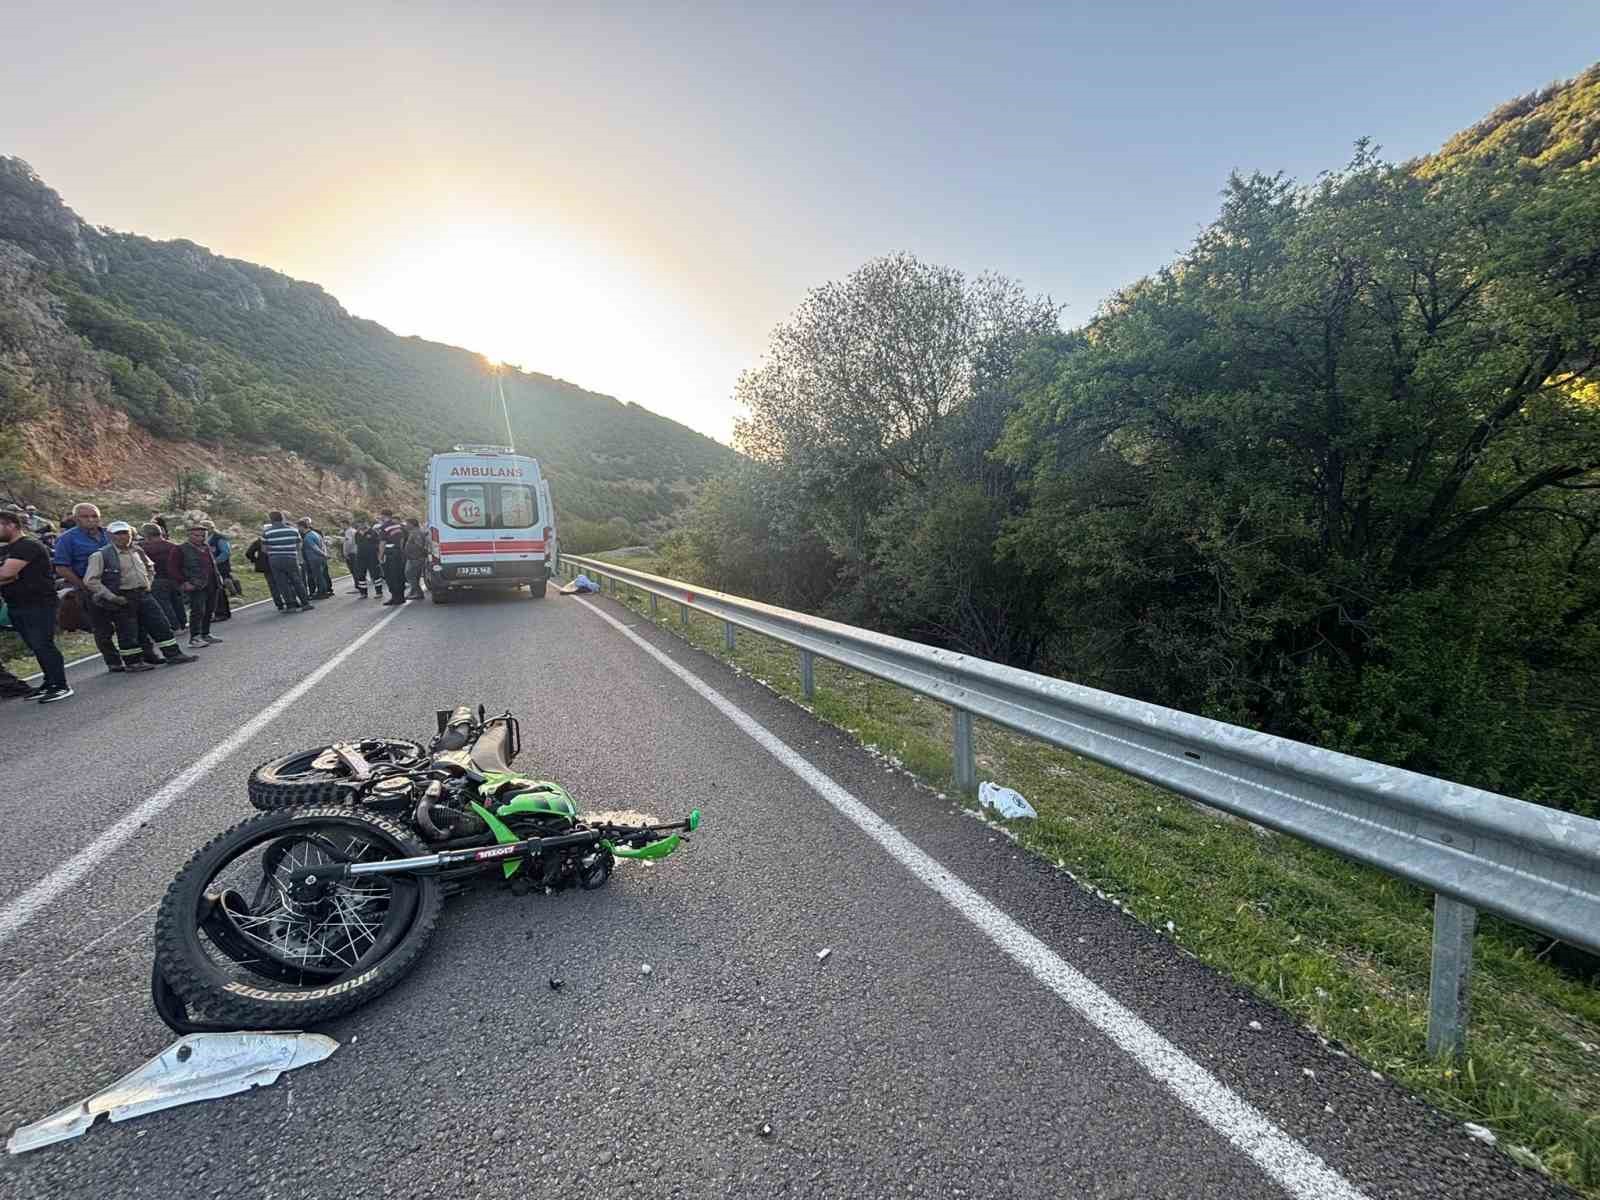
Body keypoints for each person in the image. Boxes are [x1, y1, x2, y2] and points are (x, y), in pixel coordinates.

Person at [52, 502, 158, 672]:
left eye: (94, 516)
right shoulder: (67, 539)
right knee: (102, 627)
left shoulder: (109, 534)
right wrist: (83, 586)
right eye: (85, 516)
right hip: (92, 588)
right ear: (76, 519)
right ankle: (113, 661)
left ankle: (146, 655)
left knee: (133, 623)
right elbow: (61, 567)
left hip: (121, 586)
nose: (90, 520)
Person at [83, 521, 198, 670]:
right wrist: (112, 597)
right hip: (123, 597)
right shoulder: (100, 555)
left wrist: (148, 584)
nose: (123, 537)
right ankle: (133, 662)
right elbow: (91, 581)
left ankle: (173, 654)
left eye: (125, 533)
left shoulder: (138, 551)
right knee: (128, 631)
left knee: (160, 624)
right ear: (110, 536)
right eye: (118, 534)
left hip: (144, 594)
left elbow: (150, 568)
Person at [0, 508, 71, 702]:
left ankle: (60, 684)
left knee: (43, 644)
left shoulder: (28, 546)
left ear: (11, 525)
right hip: (16, 604)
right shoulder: (5, 549)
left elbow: (7, 574)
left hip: (39, 603)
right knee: (34, 645)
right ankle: (49, 682)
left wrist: (7, 574)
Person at [178, 522, 224, 647]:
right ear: (189, 536)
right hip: (195, 585)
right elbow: (173, 568)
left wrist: (218, 577)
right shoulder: (181, 549)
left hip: (212, 582)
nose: (200, 538)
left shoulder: (206, 547)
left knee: (210, 609)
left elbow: (212, 564)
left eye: (203, 535)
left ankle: (206, 633)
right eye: (197, 535)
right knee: (198, 611)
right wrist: (183, 583)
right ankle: (194, 638)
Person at [261, 510, 312, 612]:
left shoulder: (266, 532)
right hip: (291, 558)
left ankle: (290, 605)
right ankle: (305, 603)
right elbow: (299, 545)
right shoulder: (293, 530)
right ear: (282, 518)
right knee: (297, 580)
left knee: (282, 583)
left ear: (271, 520)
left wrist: (274, 551)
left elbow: (264, 549)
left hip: (275, 559)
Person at [141, 522, 187, 632]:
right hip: (175, 579)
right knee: (177, 602)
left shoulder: (144, 549)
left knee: (164, 604)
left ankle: (174, 626)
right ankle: (182, 623)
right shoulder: (173, 546)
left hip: (157, 579)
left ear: (147, 535)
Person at [377, 511, 408, 606]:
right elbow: (402, 539)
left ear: (384, 516)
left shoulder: (384, 527)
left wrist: (380, 556)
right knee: (399, 575)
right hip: (399, 553)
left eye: (381, 516)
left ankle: (395, 598)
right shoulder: (398, 526)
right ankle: (401, 597)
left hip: (390, 554)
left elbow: (382, 542)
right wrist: (401, 550)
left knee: (390, 576)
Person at [298, 519, 333, 599]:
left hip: (314, 559)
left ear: (302, 527)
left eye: (299, 527)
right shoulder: (315, 534)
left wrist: (324, 555)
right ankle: (324, 591)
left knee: (318, 576)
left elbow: (315, 548)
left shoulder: (307, 537)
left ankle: (322, 592)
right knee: (321, 575)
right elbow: (322, 545)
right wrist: (325, 555)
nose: (298, 529)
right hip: (320, 559)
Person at [208, 526, 235, 622]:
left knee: (219, 589)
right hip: (212, 567)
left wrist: (215, 561)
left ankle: (222, 613)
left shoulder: (219, 539)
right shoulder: (209, 539)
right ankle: (219, 612)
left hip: (220, 566)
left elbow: (226, 552)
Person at [354, 523, 383, 598]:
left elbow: (378, 543)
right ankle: (363, 593)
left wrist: (378, 554)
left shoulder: (373, 532)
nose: (360, 527)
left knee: (375, 574)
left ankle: (379, 592)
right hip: (361, 557)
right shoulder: (357, 534)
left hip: (372, 556)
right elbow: (357, 544)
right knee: (361, 575)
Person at [403, 517, 428, 600]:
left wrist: (417, 555)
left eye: (407, 524)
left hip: (416, 558)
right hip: (413, 557)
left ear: (412, 524)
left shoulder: (416, 532)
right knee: (414, 576)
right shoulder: (412, 532)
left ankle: (418, 592)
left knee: (409, 574)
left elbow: (420, 545)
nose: (406, 526)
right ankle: (414, 592)